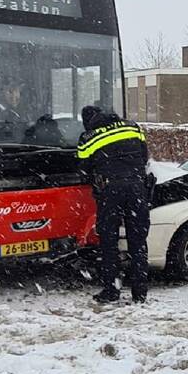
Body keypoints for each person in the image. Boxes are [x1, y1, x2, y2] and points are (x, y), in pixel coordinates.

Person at [77, 105, 152, 304]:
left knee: (108, 242)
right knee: (138, 242)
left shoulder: (88, 137)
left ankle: (111, 290)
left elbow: (83, 168)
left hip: (110, 191)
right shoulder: (132, 127)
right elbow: (144, 156)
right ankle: (140, 293)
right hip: (137, 188)